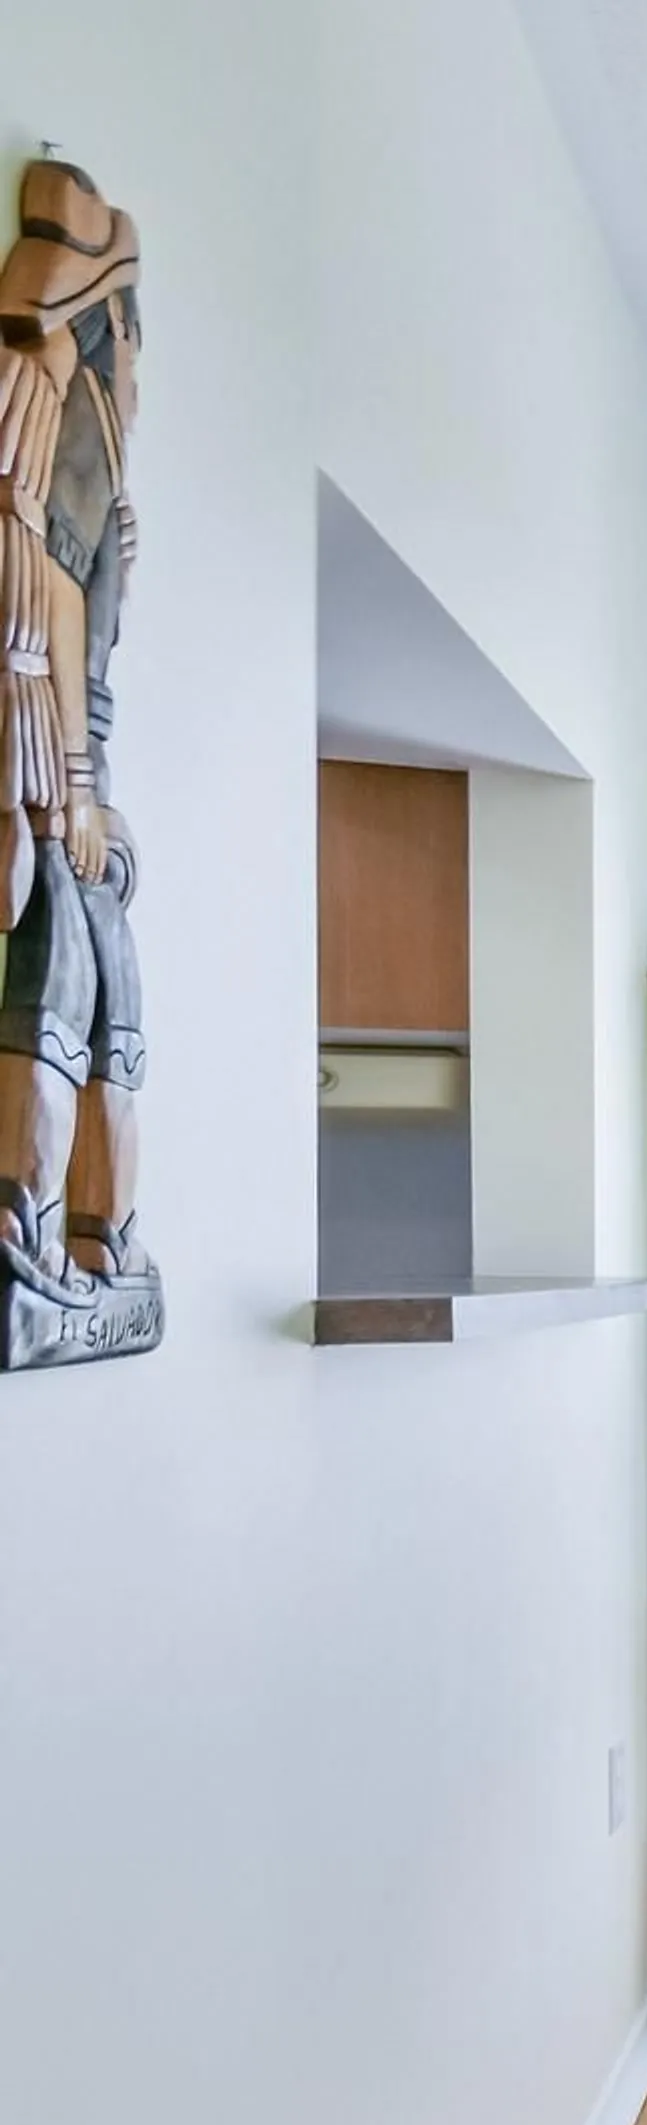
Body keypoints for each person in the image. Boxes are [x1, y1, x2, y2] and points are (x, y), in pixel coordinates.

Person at [0, 157, 148, 1305]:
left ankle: (96, 1232)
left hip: (66, 754)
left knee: (110, 998)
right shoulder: (73, 416)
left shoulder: (84, 420)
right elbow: (53, 588)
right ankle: (40, 1216)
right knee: (70, 985)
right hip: (53, 760)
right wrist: (82, 788)